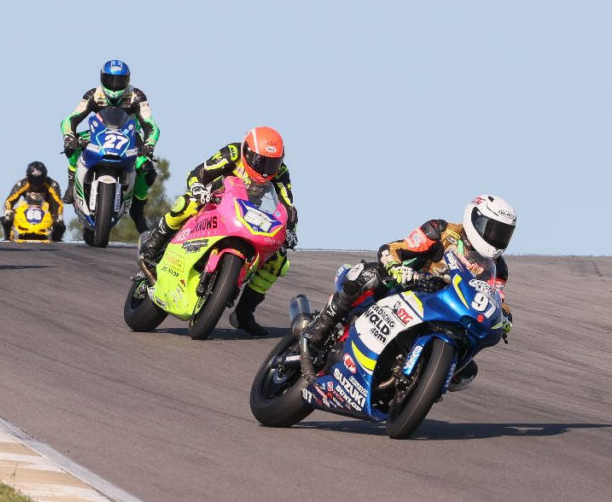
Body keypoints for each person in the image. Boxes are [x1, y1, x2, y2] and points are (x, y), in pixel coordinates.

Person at [301, 194, 517, 390]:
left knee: (467, 371)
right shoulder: (440, 230)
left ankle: (424, 384)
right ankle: (322, 325)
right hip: (407, 287)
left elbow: (495, 296)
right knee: (368, 275)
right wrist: (397, 267)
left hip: (447, 310)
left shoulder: (498, 268)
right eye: (492, 229)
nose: (496, 238)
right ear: (474, 219)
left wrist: (503, 315)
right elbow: (395, 248)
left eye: (503, 234)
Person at [138, 126, 299, 336]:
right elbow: (199, 172)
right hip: (216, 201)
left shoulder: (281, 173)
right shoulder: (233, 152)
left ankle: (244, 313)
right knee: (186, 203)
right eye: (261, 161)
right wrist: (198, 188)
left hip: (252, 219)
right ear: (247, 152)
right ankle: (155, 242)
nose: (267, 169)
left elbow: (287, 205)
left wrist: (290, 231)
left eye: (273, 163)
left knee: (278, 261)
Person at [61, 59, 159, 232]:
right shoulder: (93, 94)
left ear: (127, 80)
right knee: (73, 145)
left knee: (147, 169)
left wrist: (149, 144)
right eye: (110, 80)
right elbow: (71, 119)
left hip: (129, 136)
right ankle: (71, 181)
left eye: (119, 81)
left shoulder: (137, 96)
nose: (114, 86)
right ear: (102, 78)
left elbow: (149, 124)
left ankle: (137, 208)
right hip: (97, 133)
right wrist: (69, 137)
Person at [1, 161, 66, 242]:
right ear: (28, 176)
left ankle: (56, 240)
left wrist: (58, 215)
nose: (36, 182)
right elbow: (9, 200)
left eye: (39, 179)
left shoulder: (52, 184)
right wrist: (8, 211)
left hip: (47, 211)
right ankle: (8, 237)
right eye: (33, 179)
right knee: (7, 218)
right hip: (26, 209)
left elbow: (58, 203)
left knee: (60, 224)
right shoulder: (22, 183)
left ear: (44, 177)